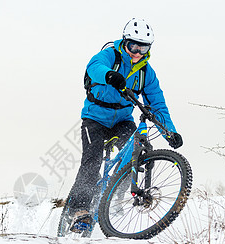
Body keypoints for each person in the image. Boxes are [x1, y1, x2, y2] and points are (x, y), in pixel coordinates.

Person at [67, 18, 183, 232]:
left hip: (122, 120)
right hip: (94, 119)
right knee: (91, 162)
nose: (137, 52)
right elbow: (94, 67)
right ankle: (79, 210)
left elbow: (157, 103)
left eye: (143, 47)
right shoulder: (110, 55)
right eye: (133, 46)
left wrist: (170, 133)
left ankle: (117, 190)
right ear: (125, 42)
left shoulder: (146, 72)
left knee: (141, 151)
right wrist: (110, 75)